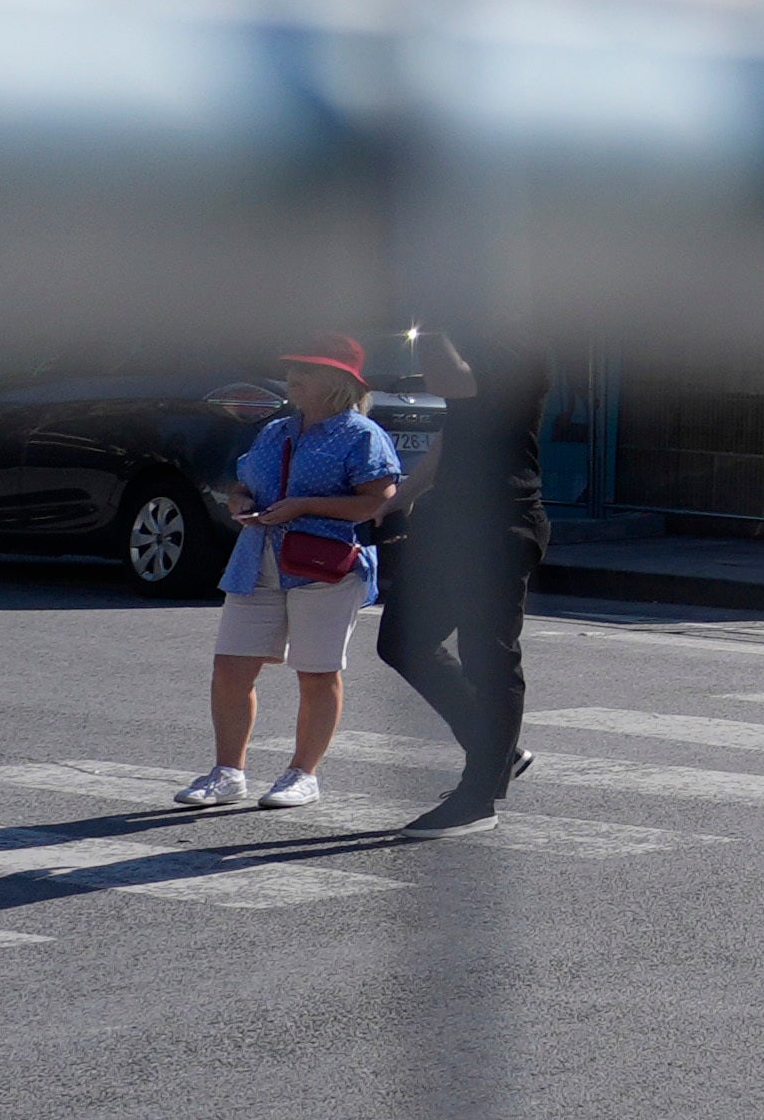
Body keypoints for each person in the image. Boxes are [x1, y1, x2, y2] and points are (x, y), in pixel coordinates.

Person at [184, 339, 408, 814]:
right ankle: (228, 773)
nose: (293, 378)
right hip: (257, 558)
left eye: (307, 371)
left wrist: (305, 505)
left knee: (317, 671)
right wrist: (240, 501)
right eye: (292, 369)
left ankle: (303, 774)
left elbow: (377, 500)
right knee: (230, 668)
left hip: (322, 566)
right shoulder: (276, 431)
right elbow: (243, 482)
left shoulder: (360, 434)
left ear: (338, 383)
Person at [371, 325, 540, 826]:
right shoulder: (472, 332)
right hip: (446, 521)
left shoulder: (522, 340)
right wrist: (405, 494)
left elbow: (453, 384)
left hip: (499, 523)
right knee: (402, 641)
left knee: (488, 656)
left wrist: (433, 320)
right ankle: (498, 752)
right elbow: (455, 428)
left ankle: (479, 798)